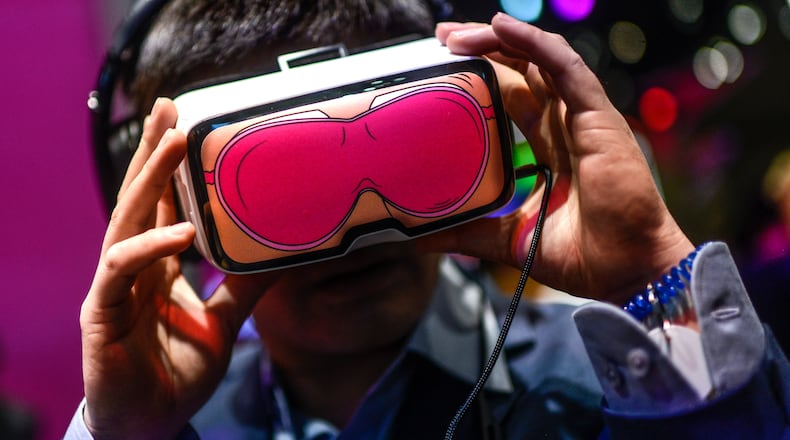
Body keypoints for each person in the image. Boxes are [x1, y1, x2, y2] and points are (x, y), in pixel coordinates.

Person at [68, 1, 790, 438]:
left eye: (411, 146)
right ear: (176, 196)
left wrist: (653, 276)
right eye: (281, 177)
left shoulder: (623, 384)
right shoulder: (168, 423)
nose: (358, 229)